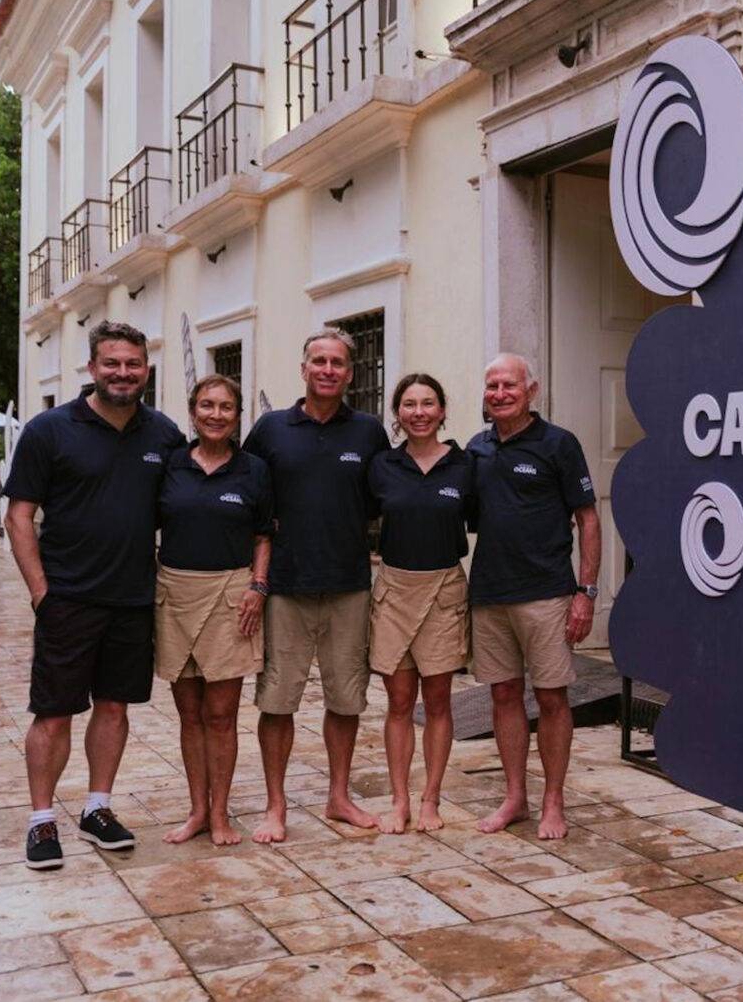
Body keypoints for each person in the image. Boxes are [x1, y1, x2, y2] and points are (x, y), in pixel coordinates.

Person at [4, 320, 185, 869]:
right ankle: (41, 820)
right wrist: (42, 593)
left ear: (146, 370)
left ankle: (97, 808)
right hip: (68, 599)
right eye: (112, 363)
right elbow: (18, 516)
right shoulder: (50, 430)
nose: (122, 373)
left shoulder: (164, 435)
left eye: (132, 364)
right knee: (53, 712)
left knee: (113, 707)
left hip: (132, 600)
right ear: (92, 368)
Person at [242, 329, 389, 843]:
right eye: (319, 361)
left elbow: (379, 500)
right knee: (277, 701)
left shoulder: (368, 433)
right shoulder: (270, 429)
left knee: (346, 700)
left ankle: (339, 796)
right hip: (285, 587)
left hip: (349, 586)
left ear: (350, 372)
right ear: (303, 368)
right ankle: (275, 805)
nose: (328, 370)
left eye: (338, 363)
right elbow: (248, 495)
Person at [467, 353, 601, 840]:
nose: (500, 394)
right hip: (490, 593)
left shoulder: (559, 444)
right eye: (492, 386)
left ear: (531, 390)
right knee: (503, 695)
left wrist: (586, 592)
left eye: (510, 385)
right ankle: (515, 797)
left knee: (551, 698)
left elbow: (588, 518)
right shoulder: (476, 448)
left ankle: (553, 801)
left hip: (547, 594)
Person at [155, 375, 272, 847]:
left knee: (221, 714)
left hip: (231, 597)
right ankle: (197, 812)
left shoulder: (254, 470)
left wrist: (258, 586)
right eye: (207, 405)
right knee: (189, 714)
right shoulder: (170, 464)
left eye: (226, 407)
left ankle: (221, 813)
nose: (216, 415)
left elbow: (263, 536)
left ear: (238, 416)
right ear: (193, 411)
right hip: (175, 595)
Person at [366, 373, 474, 833]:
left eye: (428, 403)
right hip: (394, 590)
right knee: (398, 702)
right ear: (398, 413)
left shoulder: (465, 465)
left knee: (438, 701)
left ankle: (430, 799)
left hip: (444, 590)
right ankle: (399, 801)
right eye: (409, 404)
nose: (419, 412)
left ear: (442, 410)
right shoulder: (382, 466)